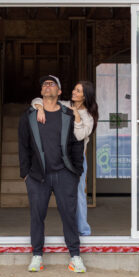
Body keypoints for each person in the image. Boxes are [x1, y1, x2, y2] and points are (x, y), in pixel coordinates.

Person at [18, 75, 86, 273]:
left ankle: (75, 257)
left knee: (69, 216)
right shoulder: (29, 116)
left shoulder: (68, 114)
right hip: (38, 176)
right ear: (41, 92)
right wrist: (25, 174)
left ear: (59, 91)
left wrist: (77, 172)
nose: (48, 86)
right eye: (44, 84)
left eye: (52, 84)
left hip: (64, 174)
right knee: (37, 216)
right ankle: (37, 256)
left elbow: (77, 143)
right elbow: (23, 145)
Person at [31, 80, 98, 236]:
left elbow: (80, 135)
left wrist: (76, 117)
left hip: (77, 158)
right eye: (75, 89)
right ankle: (72, 230)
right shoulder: (64, 105)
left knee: (79, 194)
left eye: (79, 91)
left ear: (85, 96)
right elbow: (37, 99)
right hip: (59, 156)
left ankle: (83, 230)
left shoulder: (88, 116)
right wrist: (40, 108)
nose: (74, 92)